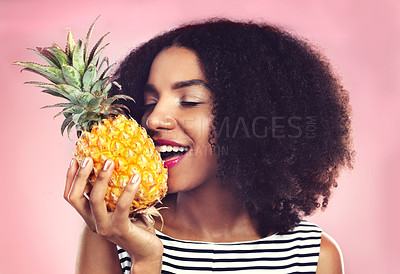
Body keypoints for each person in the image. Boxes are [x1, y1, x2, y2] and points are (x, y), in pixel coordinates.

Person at [65, 18, 354, 273]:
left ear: (251, 115)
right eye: (149, 102)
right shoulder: (112, 234)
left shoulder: (313, 257)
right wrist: (146, 261)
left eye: (189, 101)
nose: (152, 119)